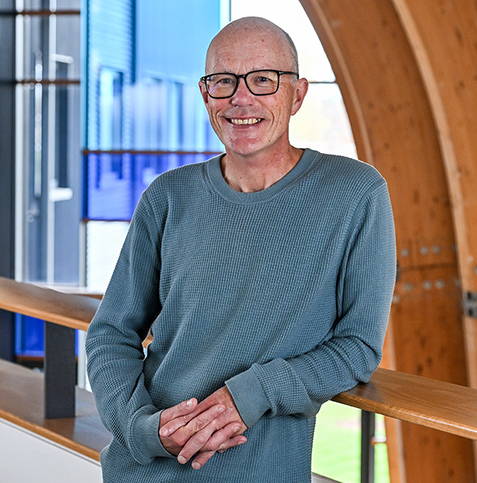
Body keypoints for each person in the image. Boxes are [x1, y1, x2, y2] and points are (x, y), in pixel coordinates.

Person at [86, 16, 396, 482]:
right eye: (224, 81)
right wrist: (143, 429)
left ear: (298, 94)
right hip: (142, 469)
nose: (241, 98)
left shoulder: (355, 194)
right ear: (205, 94)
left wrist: (253, 393)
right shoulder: (167, 196)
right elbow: (110, 333)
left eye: (263, 80)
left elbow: (358, 347)